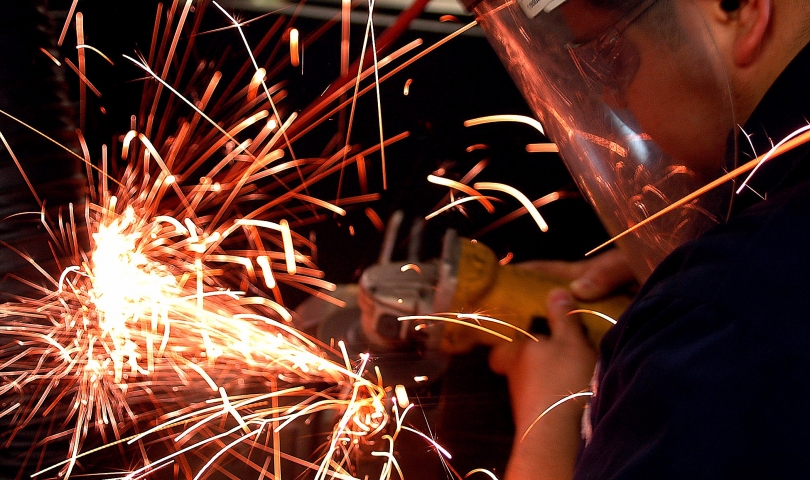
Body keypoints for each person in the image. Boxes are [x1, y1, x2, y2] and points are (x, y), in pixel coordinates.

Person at [458, 0, 810, 477]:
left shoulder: (719, 321)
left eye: (611, 57)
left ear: (738, 8)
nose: (615, 99)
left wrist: (547, 430)